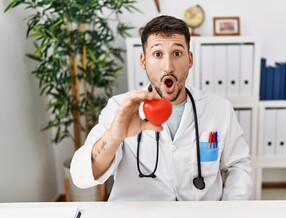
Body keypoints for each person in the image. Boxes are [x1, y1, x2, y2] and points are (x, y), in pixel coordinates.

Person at [70, 15, 252, 201]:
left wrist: (229, 211)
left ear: (189, 59)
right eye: (157, 54)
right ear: (143, 61)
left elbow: (238, 165)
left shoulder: (219, 109)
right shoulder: (120, 107)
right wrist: (114, 136)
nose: (168, 67)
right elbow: (81, 175)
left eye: (177, 53)